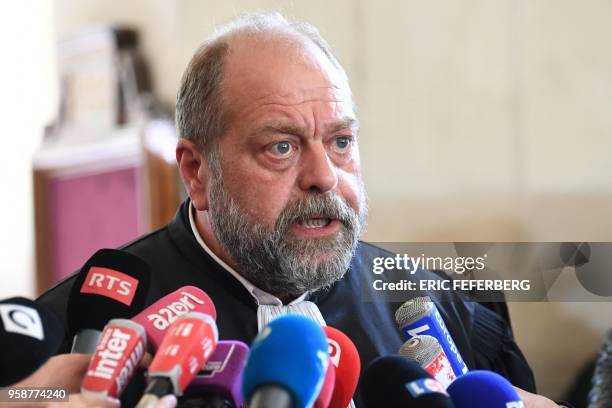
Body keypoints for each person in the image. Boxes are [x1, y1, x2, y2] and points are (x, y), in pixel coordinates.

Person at [38, 12, 564, 407]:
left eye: (340, 142)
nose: (324, 177)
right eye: (281, 147)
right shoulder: (77, 336)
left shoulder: (435, 308)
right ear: (197, 172)